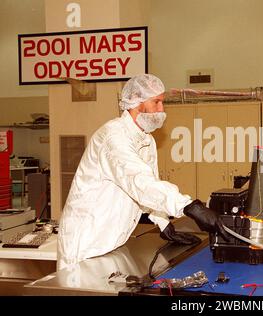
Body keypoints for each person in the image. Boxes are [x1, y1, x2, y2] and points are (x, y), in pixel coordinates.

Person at [57, 74, 228, 271]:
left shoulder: (146, 140)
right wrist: (190, 206)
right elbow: (139, 182)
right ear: (136, 101)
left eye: (162, 103)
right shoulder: (114, 137)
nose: (161, 110)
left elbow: (150, 185)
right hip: (86, 241)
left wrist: (163, 223)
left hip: (111, 239)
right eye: (156, 102)